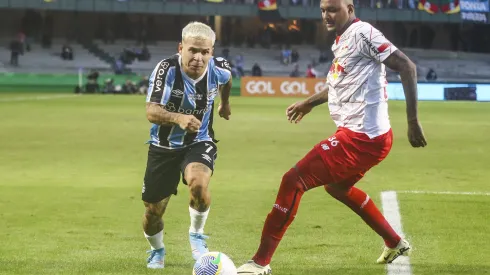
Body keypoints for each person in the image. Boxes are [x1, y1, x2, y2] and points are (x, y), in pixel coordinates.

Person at [237, 0, 427, 273]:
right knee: (337, 187)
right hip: (364, 136)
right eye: (323, 10)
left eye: (333, 9)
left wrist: (412, 122)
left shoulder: (364, 34)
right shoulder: (343, 40)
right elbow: (340, 85)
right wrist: (308, 103)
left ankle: (260, 262)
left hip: (362, 138)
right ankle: (394, 241)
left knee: (293, 180)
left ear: (349, 8)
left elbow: (407, 67)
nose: (326, 15)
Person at [142, 21, 233, 269]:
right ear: (181, 48)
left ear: (211, 52)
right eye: (193, 50)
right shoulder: (166, 70)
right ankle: (157, 250)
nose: (198, 57)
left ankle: (196, 235)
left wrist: (224, 104)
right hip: (163, 146)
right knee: (153, 213)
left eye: (204, 52)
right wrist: (178, 118)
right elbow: (151, 111)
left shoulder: (219, 69)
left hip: (199, 140)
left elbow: (228, 80)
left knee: (199, 184)